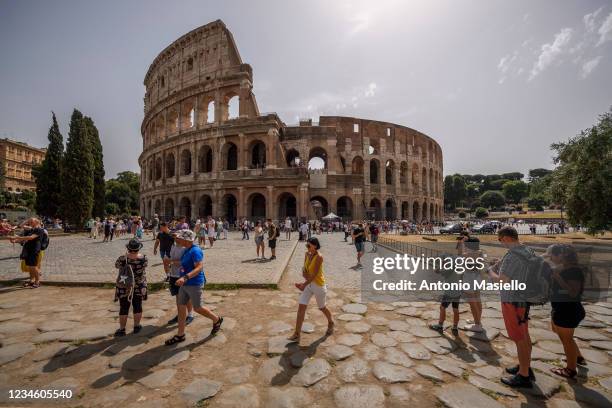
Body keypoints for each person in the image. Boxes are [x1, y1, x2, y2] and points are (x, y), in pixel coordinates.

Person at [488, 226, 537, 388]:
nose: (500, 243)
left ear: (507, 238)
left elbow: (502, 280)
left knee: (519, 339)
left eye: (500, 240)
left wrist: (490, 272)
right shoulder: (527, 250)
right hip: (524, 299)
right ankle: (525, 367)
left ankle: (523, 376)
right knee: (525, 335)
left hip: (512, 300)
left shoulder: (512, 256)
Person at [165, 230, 223, 345]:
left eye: (180, 238)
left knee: (198, 308)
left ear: (186, 240)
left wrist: (185, 277)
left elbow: (199, 268)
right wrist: (171, 262)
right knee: (181, 308)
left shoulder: (196, 250)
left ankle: (217, 319)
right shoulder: (187, 250)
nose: (178, 239)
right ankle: (180, 335)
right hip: (184, 284)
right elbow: (183, 263)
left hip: (194, 283)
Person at [545, 244, 586, 379]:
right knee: (559, 332)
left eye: (552, 256)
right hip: (561, 308)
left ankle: (570, 369)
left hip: (568, 310)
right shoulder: (564, 268)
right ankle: (578, 357)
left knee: (566, 339)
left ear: (561, 256)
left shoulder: (573, 271)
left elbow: (573, 293)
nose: (550, 258)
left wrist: (557, 277)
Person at [288, 237, 334, 342]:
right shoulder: (306, 254)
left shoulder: (319, 257)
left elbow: (314, 275)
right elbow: (305, 270)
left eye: (309, 245)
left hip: (318, 285)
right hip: (309, 285)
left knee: (322, 307)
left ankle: (331, 322)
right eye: (307, 245)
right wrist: (304, 278)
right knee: (301, 307)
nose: (307, 247)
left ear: (315, 246)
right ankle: (297, 334)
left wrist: (303, 284)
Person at [113, 239, 148, 337]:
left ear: (128, 248)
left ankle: (122, 329)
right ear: (138, 248)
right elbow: (145, 266)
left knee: (123, 307)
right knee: (137, 305)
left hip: (124, 285)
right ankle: (136, 326)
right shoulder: (143, 258)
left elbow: (116, 266)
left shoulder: (122, 258)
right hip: (139, 285)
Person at [163, 236, 194, 326]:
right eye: (174, 237)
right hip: (173, 275)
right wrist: (167, 267)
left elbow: (183, 262)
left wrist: (171, 261)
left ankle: (190, 315)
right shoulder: (172, 246)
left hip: (182, 275)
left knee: (186, 297)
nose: (176, 239)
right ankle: (180, 314)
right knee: (178, 297)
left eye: (178, 237)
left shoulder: (186, 249)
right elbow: (167, 260)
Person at [458, 232, 484, 333]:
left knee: (472, 303)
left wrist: (462, 243)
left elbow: (460, 255)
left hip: (469, 279)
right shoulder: (479, 252)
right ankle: (478, 320)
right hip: (477, 277)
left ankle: (477, 325)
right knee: (478, 300)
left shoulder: (468, 255)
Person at [429, 255, 461, 336]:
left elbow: (436, 271)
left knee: (442, 307)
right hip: (457, 291)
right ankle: (455, 327)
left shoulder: (448, 270)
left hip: (449, 293)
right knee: (455, 309)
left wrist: (440, 265)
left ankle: (440, 325)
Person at [10, 218, 44, 288]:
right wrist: (15, 241)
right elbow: (21, 225)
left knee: (34, 266)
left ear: (37, 222)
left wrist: (18, 238)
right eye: (30, 222)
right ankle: (31, 280)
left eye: (32, 222)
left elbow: (31, 238)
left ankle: (37, 281)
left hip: (34, 250)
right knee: (30, 266)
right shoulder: (31, 229)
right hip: (28, 249)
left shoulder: (39, 229)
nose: (30, 223)